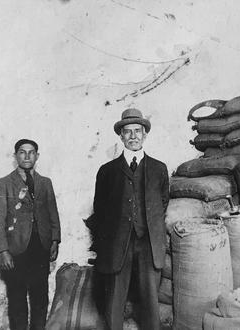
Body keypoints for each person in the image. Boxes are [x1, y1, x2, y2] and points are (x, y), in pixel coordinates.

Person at [92, 108, 169, 330]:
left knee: (150, 302)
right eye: (128, 131)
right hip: (118, 245)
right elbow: (100, 209)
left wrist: (147, 227)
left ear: (145, 135)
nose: (133, 136)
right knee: (115, 300)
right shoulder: (107, 171)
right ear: (121, 136)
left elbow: (162, 202)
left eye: (138, 131)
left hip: (149, 244)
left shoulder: (158, 168)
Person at [0, 139, 61, 330]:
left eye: (31, 152)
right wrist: (2, 251)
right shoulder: (3, 184)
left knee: (40, 298)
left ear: (37, 156)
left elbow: (53, 213)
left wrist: (55, 240)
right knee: (17, 299)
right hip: (16, 251)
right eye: (22, 152)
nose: (27, 156)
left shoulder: (45, 183)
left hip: (40, 249)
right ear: (15, 156)